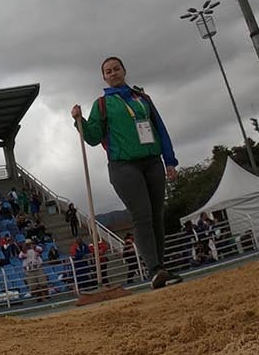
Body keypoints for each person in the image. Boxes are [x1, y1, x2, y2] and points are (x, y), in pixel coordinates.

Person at [72, 56, 181, 291]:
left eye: (116, 69)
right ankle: (154, 269)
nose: (113, 73)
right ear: (104, 77)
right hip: (123, 166)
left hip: (152, 161)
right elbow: (92, 138)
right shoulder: (102, 104)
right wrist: (79, 120)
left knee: (156, 216)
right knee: (142, 215)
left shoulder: (142, 98)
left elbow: (160, 129)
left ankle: (160, 266)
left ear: (124, 71)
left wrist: (169, 161)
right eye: (108, 71)